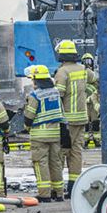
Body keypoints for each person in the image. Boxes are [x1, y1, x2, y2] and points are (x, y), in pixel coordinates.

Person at [53, 40, 98, 198]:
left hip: (66, 121)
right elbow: (97, 80)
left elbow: (58, 96)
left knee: (61, 153)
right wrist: (87, 92)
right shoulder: (83, 70)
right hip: (82, 118)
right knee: (76, 153)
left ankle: (57, 189)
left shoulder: (62, 72)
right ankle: (74, 187)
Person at [24, 64, 65, 202]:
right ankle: (58, 193)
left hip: (39, 136)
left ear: (36, 80)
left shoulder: (35, 95)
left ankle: (44, 194)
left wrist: (26, 126)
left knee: (41, 164)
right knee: (56, 163)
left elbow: (29, 116)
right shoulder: (56, 92)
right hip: (55, 134)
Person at [81, 53, 101, 148]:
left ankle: (96, 140)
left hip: (93, 101)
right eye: (85, 61)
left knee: (95, 121)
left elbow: (97, 85)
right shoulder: (81, 73)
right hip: (84, 101)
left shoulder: (94, 74)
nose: (87, 64)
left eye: (89, 61)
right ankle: (86, 140)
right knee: (85, 122)